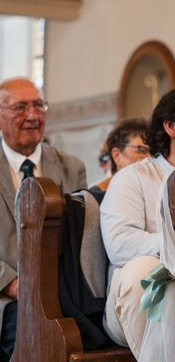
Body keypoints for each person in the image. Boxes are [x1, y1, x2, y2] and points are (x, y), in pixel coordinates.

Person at [100, 85, 175, 358]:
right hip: (139, 299)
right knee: (143, 271)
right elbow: (120, 243)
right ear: (170, 126)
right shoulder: (133, 178)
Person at [0, 77, 86, 361]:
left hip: (63, 292)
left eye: (38, 106)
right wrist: (13, 284)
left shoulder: (71, 167)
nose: (33, 116)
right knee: (21, 330)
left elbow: (81, 237)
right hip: (6, 295)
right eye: (21, 108)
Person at [92, 118, 149, 196]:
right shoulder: (96, 198)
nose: (148, 159)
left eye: (153, 153)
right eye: (141, 151)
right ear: (117, 156)